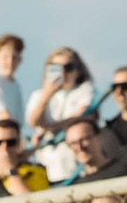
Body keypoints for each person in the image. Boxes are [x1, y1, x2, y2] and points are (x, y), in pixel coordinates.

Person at [28, 47, 101, 175]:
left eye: (68, 67)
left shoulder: (86, 89)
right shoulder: (38, 95)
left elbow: (82, 117)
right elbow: (33, 121)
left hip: (79, 166)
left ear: (78, 70)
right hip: (49, 165)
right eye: (56, 68)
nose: (63, 72)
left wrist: (48, 127)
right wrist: (46, 96)